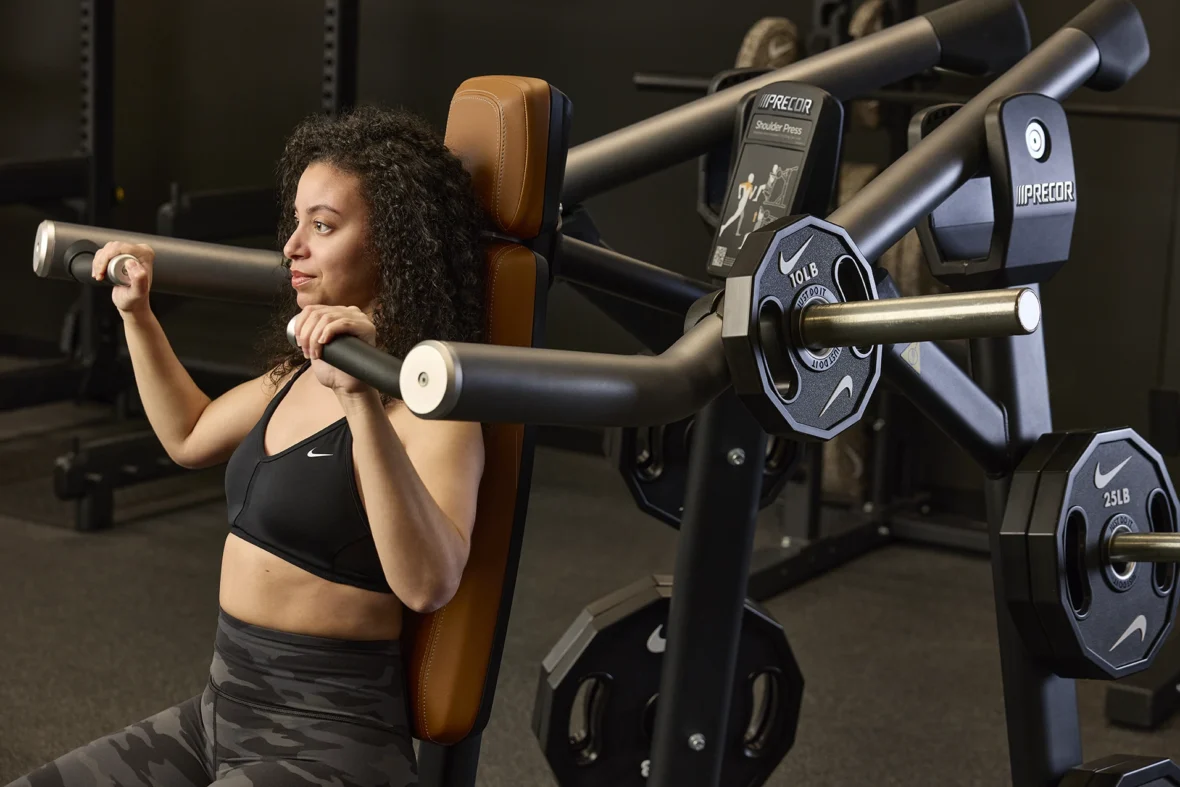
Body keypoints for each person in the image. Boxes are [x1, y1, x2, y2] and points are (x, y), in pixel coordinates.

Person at [7, 105, 489, 787]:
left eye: (322, 226)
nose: (292, 245)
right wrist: (138, 317)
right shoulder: (294, 372)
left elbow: (429, 582)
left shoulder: (429, 410)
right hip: (220, 711)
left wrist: (358, 397)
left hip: (329, 738)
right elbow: (189, 434)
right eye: (296, 222)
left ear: (394, 244)